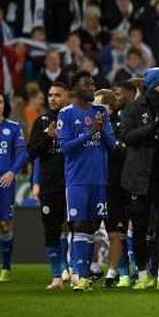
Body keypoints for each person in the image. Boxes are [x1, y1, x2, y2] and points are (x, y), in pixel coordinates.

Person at [121, 67, 159, 290]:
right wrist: (156, 125)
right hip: (139, 177)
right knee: (139, 226)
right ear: (155, 85)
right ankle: (143, 274)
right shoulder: (134, 108)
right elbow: (128, 137)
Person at [57, 72, 117, 291]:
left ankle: (84, 277)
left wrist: (106, 132)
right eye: (87, 84)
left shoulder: (100, 112)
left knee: (92, 226)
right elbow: (65, 148)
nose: (93, 86)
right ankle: (79, 276)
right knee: (80, 223)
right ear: (75, 90)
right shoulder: (66, 114)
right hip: (77, 180)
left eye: (93, 83)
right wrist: (91, 133)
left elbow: (111, 145)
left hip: (100, 178)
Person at [28, 81, 70, 289]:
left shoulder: (74, 119)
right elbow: (32, 152)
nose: (53, 98)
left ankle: (73, 271)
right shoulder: (40, 122)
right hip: (50, 185)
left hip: (73, 184)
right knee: (52, 230)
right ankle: (57, 276)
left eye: (57, 95)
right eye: (50, 94)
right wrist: (47, 136)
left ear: (67, 96)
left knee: (75, 229)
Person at [94, 87, 131, 289]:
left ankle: (114, 272)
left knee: (116, 232)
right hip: (92, 183)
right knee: (87, 228)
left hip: (114, 184)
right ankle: (88, 269)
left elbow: (120, 151)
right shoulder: (87, 124)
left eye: (99, 105)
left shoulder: (120, 124)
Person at [0, 89, 27, 283]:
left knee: (5, 225)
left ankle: (6, 266)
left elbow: (22, 154)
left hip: (4, 183)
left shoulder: (13, 128)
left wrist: (11, 172)